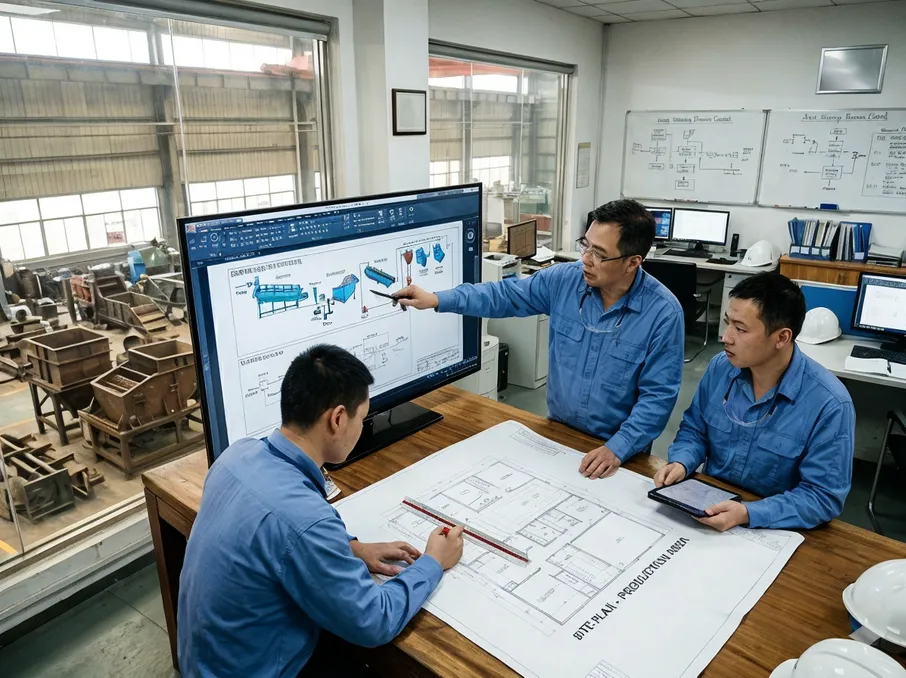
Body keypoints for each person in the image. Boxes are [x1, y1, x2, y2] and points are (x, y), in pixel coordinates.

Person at [178, 345, 464, 678]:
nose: (362, 425)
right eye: (362, 416)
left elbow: (274, 537)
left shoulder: (236, 455)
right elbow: (374, 621)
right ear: (338, 419)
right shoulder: (306, 521)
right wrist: (433, 562)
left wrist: (351, 548)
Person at [396, 199, 684, 480]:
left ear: (632, 262)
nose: (585, 259)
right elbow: (503, 296)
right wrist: (437, 299)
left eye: (599, 253)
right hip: (557, 434)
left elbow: (658, 398)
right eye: (585, 245)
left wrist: (617, 449)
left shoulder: (663, 314)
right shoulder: (563, 280)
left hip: (618, 455)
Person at [654, 272, 855, 531]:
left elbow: (822, 497)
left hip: (774, 525)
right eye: (728, 323)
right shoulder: (720, 368)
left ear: (781, 338)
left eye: (740, 329)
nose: (726, 337)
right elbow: (695, 430)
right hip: (709, 508)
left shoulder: (830, 404)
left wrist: (747, 513)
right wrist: (682, 461)